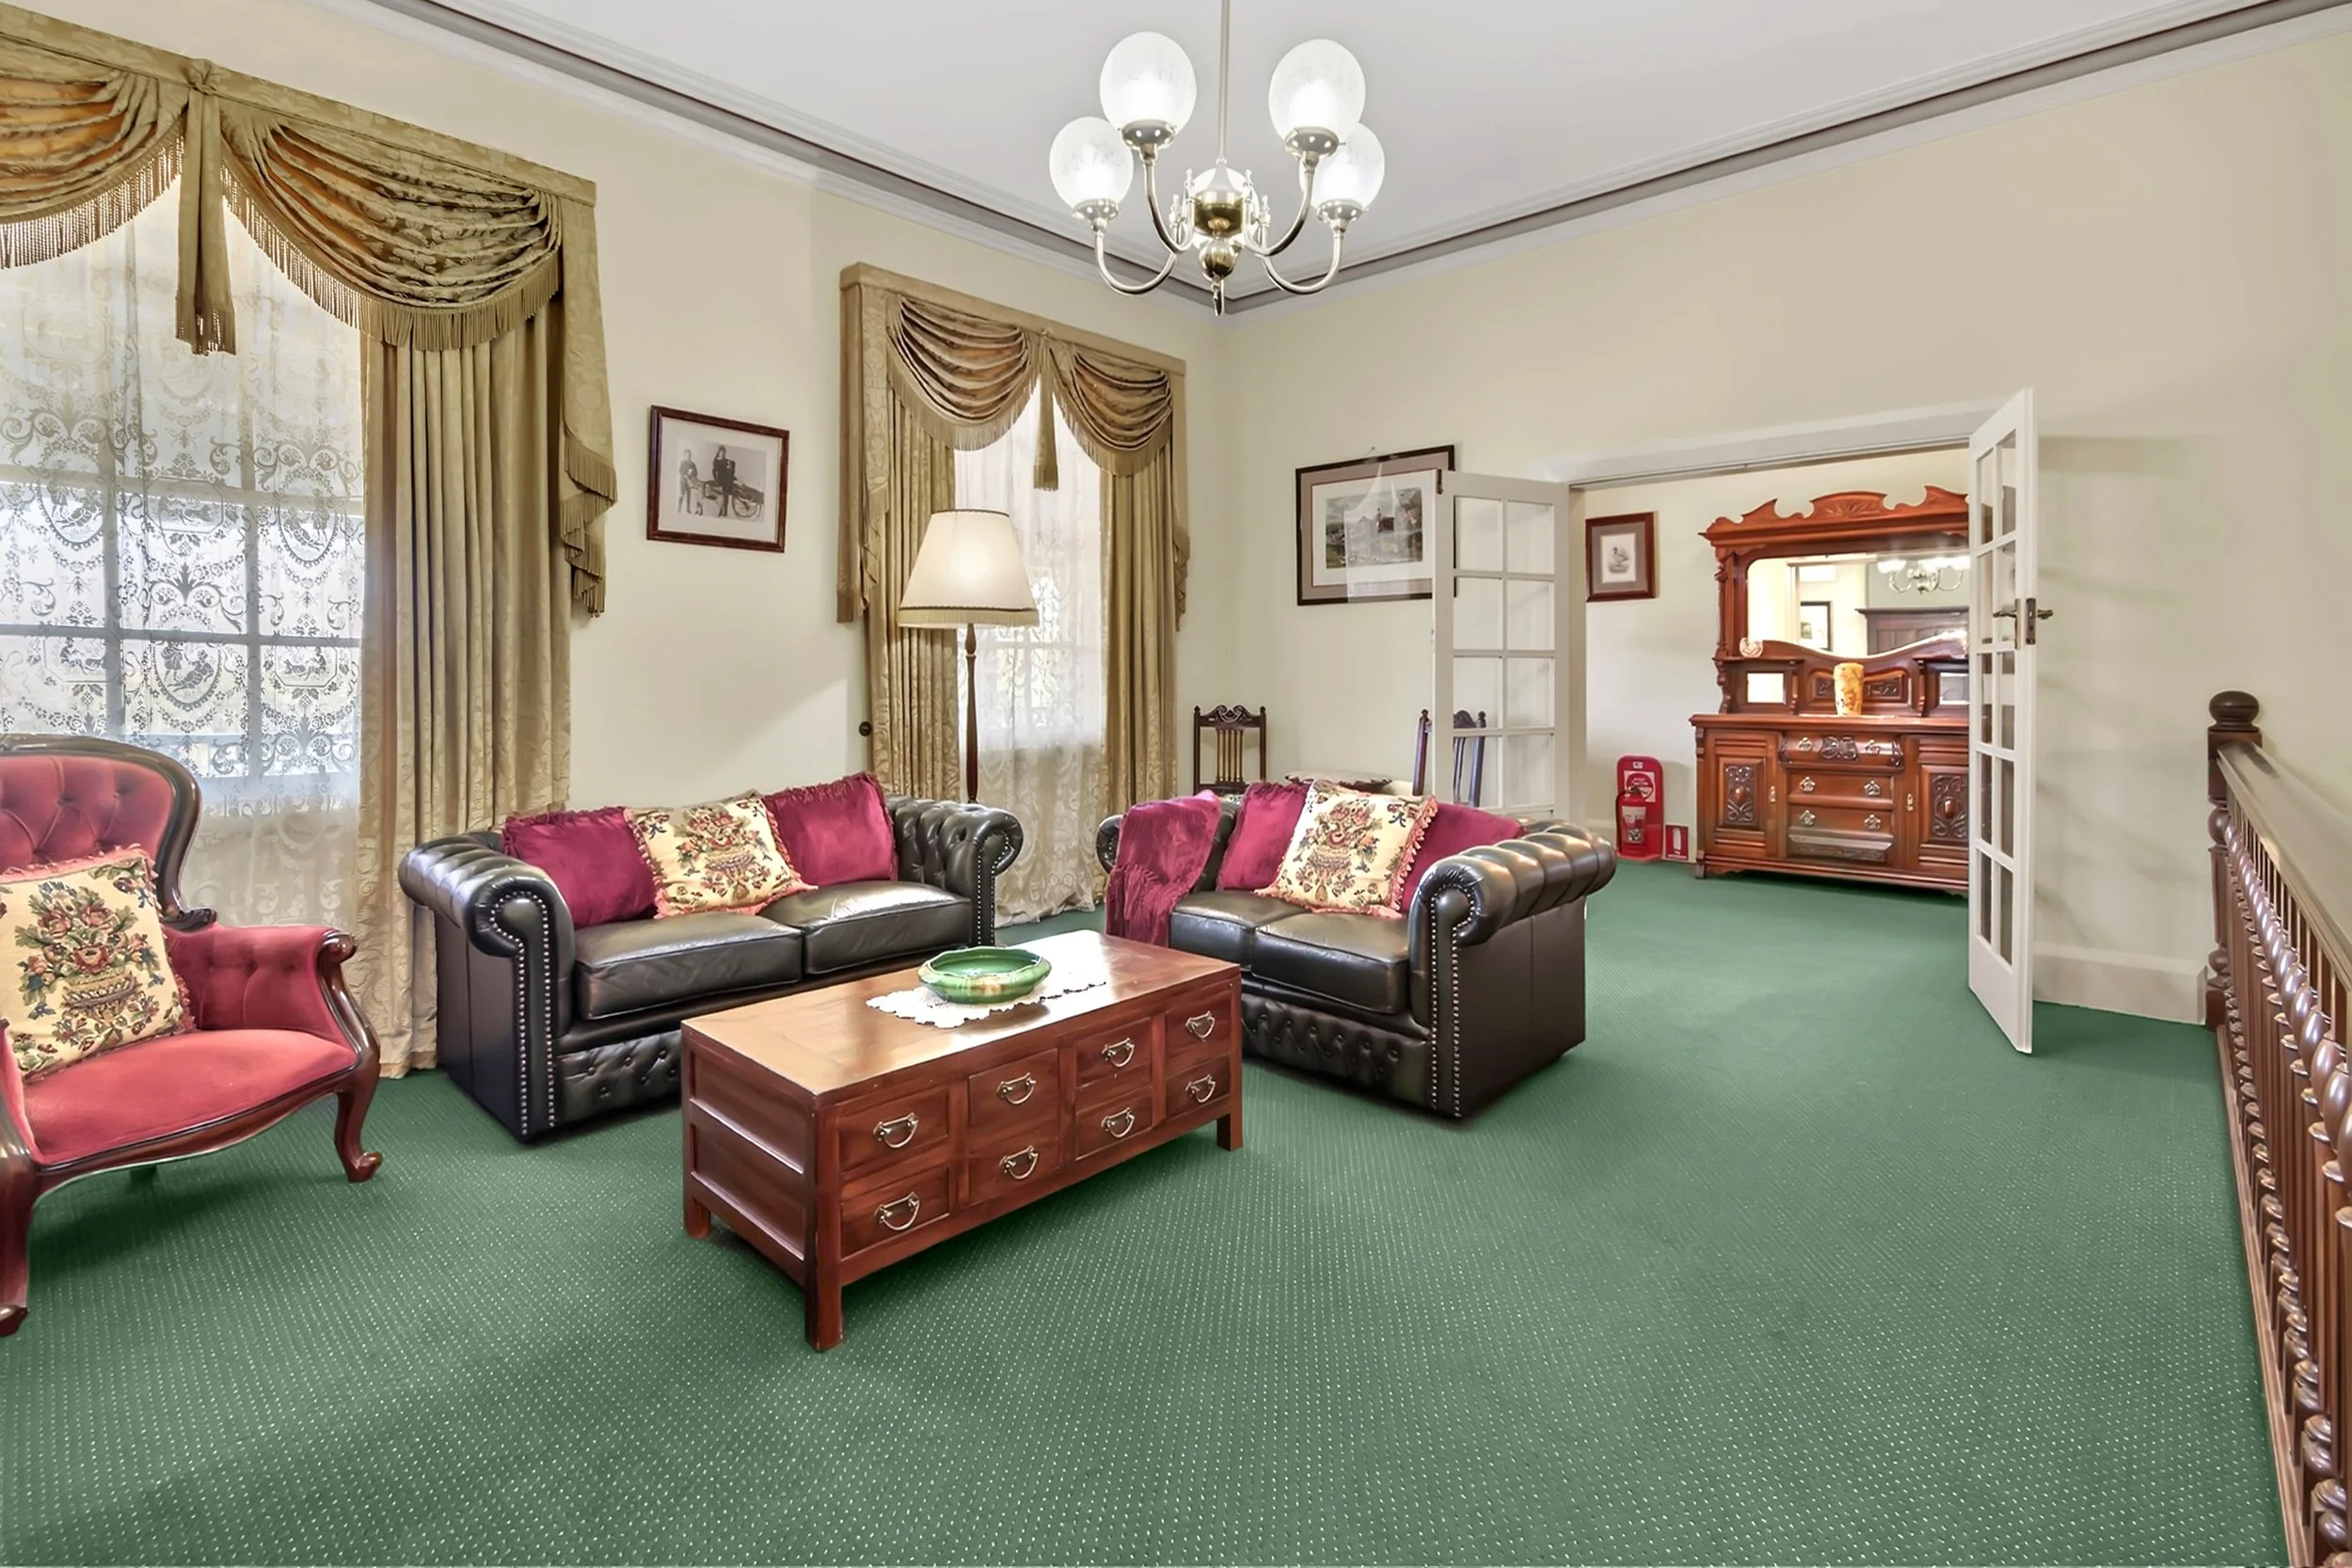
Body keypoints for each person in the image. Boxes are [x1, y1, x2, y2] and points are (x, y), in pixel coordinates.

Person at [710, 445, 739, 518]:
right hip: (721, 479)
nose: (722, 454)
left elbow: (731, 463)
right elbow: (715, 470)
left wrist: (729, 465)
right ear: (719, 453)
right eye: (721, 453)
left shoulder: (725, 460)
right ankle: (723, 510)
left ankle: (725, 511)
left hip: (727, 479)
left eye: (724, 453)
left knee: (727, 494)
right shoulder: (716, 461)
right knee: (724, 494)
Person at [677, 450, 701, 515]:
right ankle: (679, 509)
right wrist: (685, 475)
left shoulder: (693, 464)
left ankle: (688, 509)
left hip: (690, 483)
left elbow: (696, 473)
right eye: (687, 455)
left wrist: (693, 477)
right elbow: (680, 471)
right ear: (685, 455)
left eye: (689, 455)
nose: (688, 456)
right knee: (681, 494)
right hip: (683, 481)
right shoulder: (682, 463)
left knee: (689, 495)